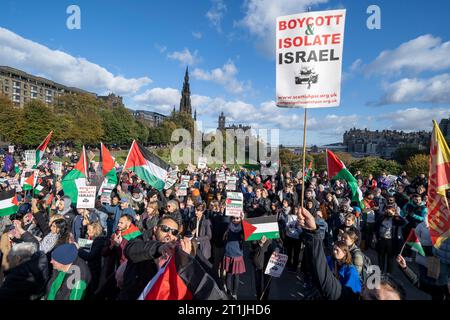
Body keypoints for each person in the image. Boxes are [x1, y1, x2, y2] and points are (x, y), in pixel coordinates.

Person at [298, 207, 406, 300]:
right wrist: (313, 232)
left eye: (345, 239)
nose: (342, 240)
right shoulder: (346, 295)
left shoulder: (352, 266)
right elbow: (323, 273)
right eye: (372, 297)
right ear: (363, 290)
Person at [77, 222, 107, 299]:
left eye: (89, 230)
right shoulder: (96, 239)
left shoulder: (98, 241)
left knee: (91, 291)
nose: (87, 232)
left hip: (95, 271)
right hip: (93, 270)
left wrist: (79, 249)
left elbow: (89, 256)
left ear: (95, 230)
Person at [375, 205, 407, 274]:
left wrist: (395, 215)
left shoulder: (396, 219)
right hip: (382, 239)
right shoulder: (382, 217)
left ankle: (388, 272)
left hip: (391, 240)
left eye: (391, 210)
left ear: (394, 211)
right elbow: (376, 226)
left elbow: (404, 222)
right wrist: (375, 236)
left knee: (390, 257)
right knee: (381, 256)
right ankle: (380, 269)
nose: (388, 212)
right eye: (387, 210)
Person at [221, 215, 246, 300]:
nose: (235, 220)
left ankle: (234, 294)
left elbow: (245, 234)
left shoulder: (242, 228)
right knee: (228, 274)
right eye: (233, 218)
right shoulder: (229, 226)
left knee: (236, 275)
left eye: (237, 218)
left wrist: (242, 220)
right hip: (228, 252)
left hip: (237, 254)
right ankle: (229, 292)